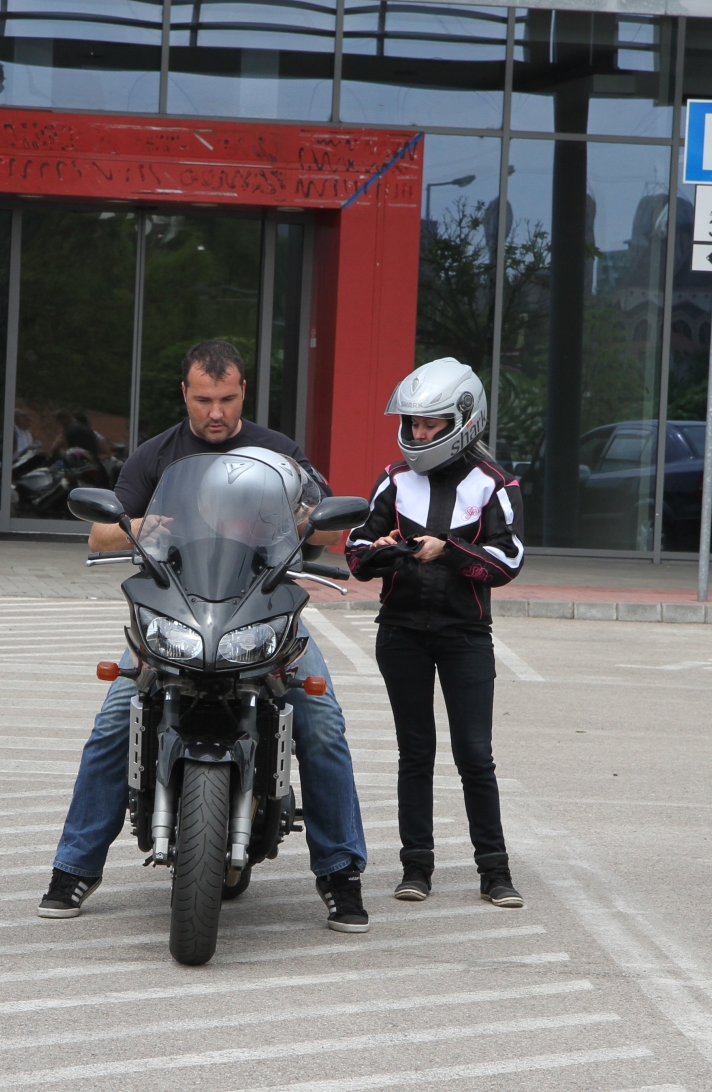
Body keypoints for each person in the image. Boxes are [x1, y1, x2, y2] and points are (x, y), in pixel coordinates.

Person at [37, 338, 373, 932]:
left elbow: (326, 532)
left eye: (226, 398)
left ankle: (341, 874)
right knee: (114, 720)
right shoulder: (156, 456)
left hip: (262, 614)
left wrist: (305, 520)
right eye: (202, 400)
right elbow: (100, 536)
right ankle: (74, 867)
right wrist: (143, 524)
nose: (215, 412)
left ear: (243, 391)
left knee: (322, 722)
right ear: (184, 395)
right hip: (175, 617)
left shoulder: (280, 453)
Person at [346, 358, 528, 907]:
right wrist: (383, 552)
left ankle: (495, 872)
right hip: (400, 632)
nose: (420, 434)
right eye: (414, 424)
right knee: (415, 752)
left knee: (474, 754)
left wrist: (448, 550)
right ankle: (416, 868)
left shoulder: (494, 483)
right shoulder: (393, 478)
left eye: (432, 424)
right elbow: (356, 551)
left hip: (464, 635)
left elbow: (508, 561)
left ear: (464, 422)